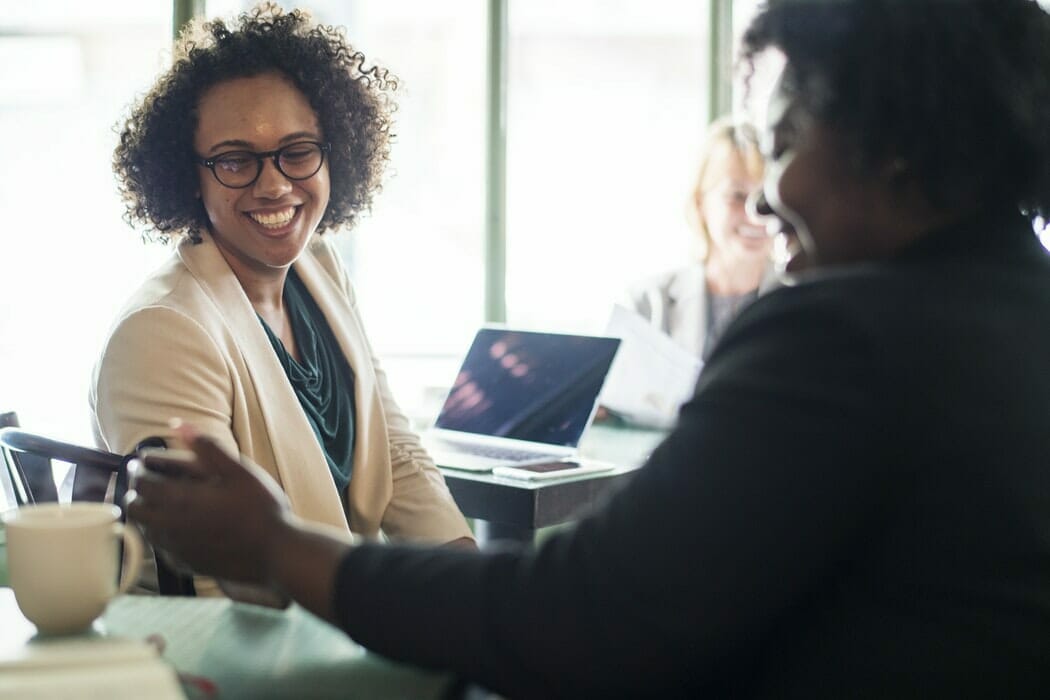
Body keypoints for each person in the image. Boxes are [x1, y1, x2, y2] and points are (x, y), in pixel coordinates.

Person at [127, 0, 1050, 696]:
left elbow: (585, 614)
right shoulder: (1015, 307)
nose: (765, 197)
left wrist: (281, 544)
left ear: (893, 147)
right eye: (235, 160)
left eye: (783, 143)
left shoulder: (843, 340)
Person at [91, 4, 474, 599]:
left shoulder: (318, 266)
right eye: (236, 160)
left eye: (297, 151)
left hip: (343, 606)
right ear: (191, 177)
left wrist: (469, 582)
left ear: (335, 151)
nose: (274, 185)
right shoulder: (162, 331)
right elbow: (211, 568)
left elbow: (394, 452)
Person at [627, 116, 769, 361]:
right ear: (699, 202)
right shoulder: (647, 305)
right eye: (736, 195)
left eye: (764, 197)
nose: (755, 216)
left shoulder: (803, 303)